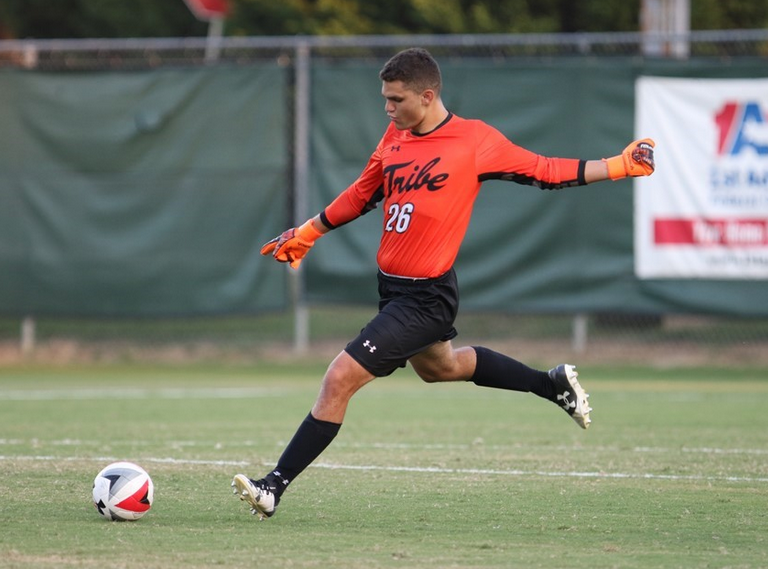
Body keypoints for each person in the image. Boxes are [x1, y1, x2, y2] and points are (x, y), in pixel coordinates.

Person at [232, 47, 655, 520]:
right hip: (393, 289)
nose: (388, 109)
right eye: (385, 99)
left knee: (338, 379)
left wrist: (619, 165)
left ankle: (273, 486)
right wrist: (309, 231)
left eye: (395, 100)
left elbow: (546, 171)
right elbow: (362, 193)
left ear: (427, 96)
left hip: (424, 297)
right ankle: (550, 383)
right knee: (441, 368)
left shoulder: (473, 140)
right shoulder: (396, 135)